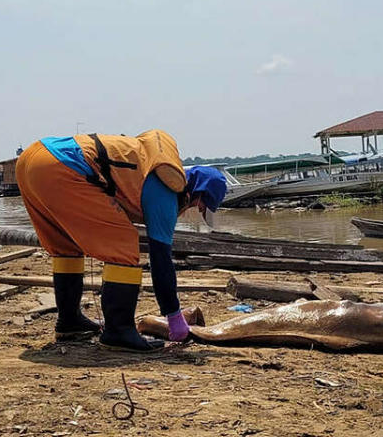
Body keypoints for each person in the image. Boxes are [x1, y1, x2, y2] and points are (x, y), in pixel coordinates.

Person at [15, 130, 227, 352]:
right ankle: (119, 331)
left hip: (33, 159)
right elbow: (160, 259)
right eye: (200, 205)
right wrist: (173, 315)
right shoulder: (166, 188)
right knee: (124, 243)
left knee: (66, 245)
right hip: (64, 164)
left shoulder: (148, 169)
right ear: (197, 193)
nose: (195, 209)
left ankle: (69, 322)